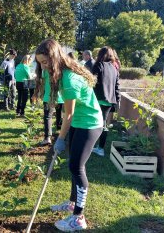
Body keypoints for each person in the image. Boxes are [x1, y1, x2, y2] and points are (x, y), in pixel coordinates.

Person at [35, 38, 103, 231]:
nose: (43, 66)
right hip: (79, 122)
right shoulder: (58, 73)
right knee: (74, 163)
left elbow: (69, 114)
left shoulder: (70, 79)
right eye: (40, 62)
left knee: (76, 166)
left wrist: (61, 138)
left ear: (55, 58)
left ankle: (78, 218)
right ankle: (73, 203)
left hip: (89, 123)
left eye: (46, 62)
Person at [91, 46, 120, 157]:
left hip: (98, 99)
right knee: (104, 124)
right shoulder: (114, 69)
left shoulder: (98, 65)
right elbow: (117, 86)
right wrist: (117, 101)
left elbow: (91, 82)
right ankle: (100, 147)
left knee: (95, 124)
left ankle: (97, 148)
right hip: (109, 101)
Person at [35, 69, 64, 145]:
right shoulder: (62, 69)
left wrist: (40, 93)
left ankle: (47, 137)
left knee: (48, 117)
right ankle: (59, 131)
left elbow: (43, 83)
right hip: (61, 97)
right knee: (60, 114)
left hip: (49, 97)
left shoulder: (46, 70)